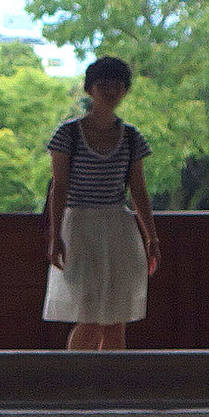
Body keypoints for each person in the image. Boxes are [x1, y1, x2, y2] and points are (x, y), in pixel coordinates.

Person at [43, 55, 160, 350]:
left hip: (118, 229)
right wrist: (55, 236)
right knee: (90, 317)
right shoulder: (68, 134)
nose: (111, 91)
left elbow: (138, 191)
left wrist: (151, 238)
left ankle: (112, 378)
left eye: (118, 85)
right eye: (103, 85)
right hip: (79, 228)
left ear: (125, 90)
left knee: (116, 320)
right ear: (90, 89)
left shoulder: (131, 137)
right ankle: (77, 377)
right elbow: (59, 187)